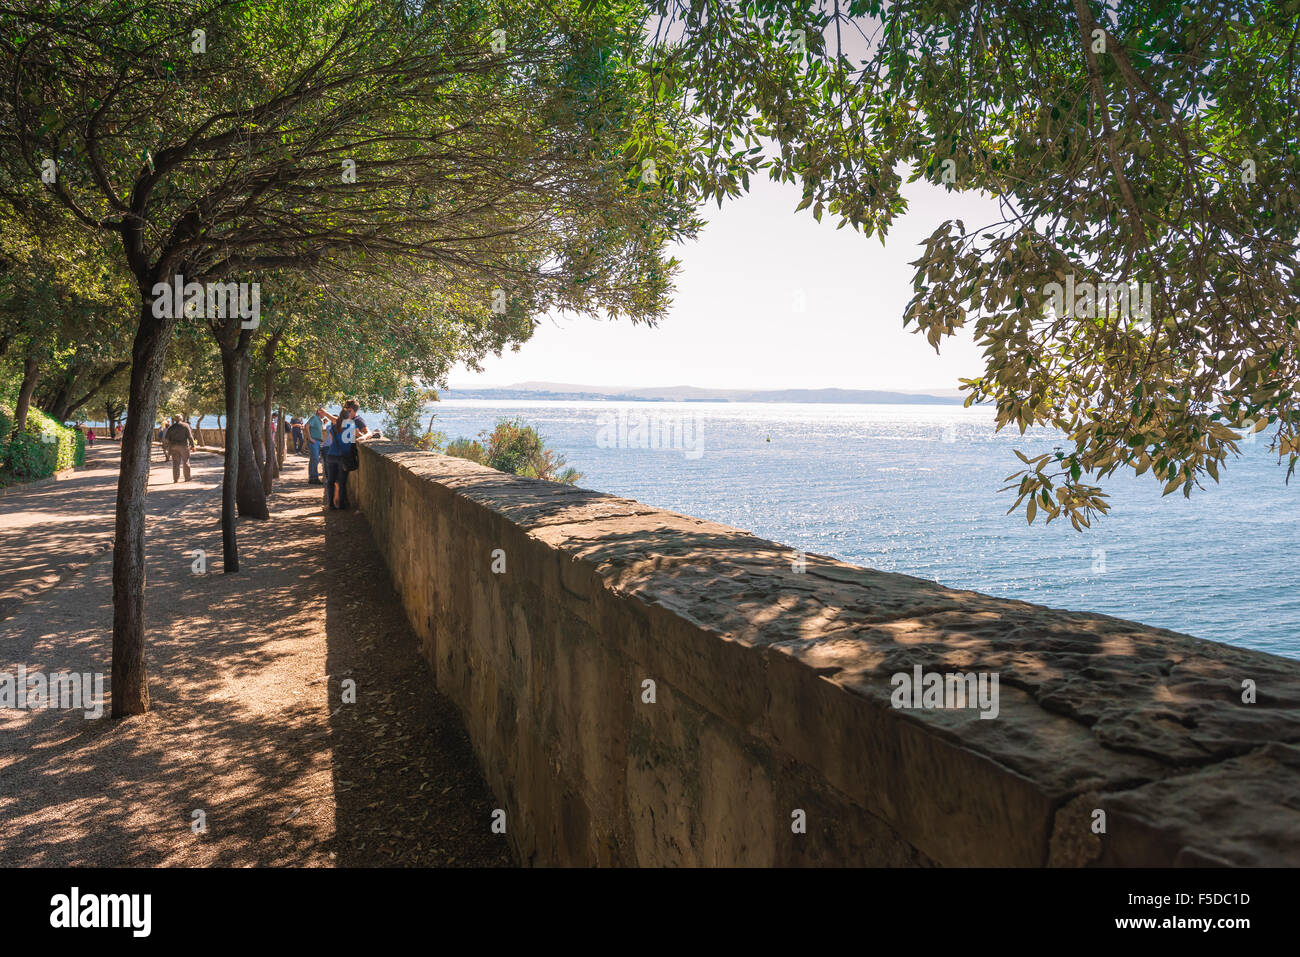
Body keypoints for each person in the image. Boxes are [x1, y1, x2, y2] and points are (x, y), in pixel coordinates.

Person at [322, 406, 357, 510]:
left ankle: (331, 504)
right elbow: (352, 440)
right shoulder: (351, 424)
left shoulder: (334, 426)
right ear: (348, 417)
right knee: (342, 482)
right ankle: (341, 504)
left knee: (330, 481)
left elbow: (332, 440)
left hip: (331, 455)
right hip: (343, 457)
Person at [163, 415, 196, 482]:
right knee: (186, 462)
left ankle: (175, 479)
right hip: (183, 446)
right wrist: (193, 446)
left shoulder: (171, 427)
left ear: (175, 420)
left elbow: (166, 438)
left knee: (175, 463)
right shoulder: (185, 426)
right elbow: (190, 436)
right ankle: (187, 478)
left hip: (173, 446)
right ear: (181, 419)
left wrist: (166, 446)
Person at [306, 407, 325, 485]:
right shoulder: (314, 418)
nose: (325, 414)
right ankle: (313, 478)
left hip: (317, 442)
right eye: (323, 412)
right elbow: (306, 426)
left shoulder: (319, 420)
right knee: (315, 459)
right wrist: (310, 438)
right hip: (314, 441)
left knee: (314, 460)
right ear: (319, 411)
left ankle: (312, 478)